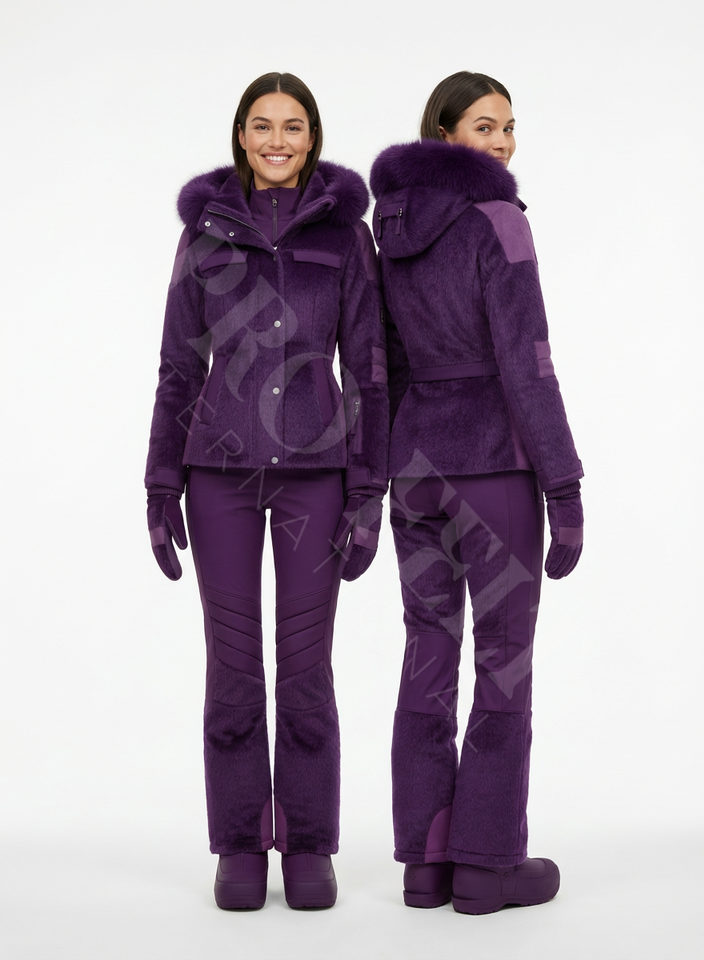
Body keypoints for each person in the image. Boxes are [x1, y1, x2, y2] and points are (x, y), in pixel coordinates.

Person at [145, 72, 388, 910]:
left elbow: (369, 370)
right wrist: (159, 483)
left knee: (306, 668)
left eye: (291, 125)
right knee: (233, 668)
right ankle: (240, 842)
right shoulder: (204, 235)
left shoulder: (346, 236)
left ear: (311, 137)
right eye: (261, 125)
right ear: (241, 135)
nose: (276, 139)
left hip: (316, 479)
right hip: (217, 476)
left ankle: (310, 843)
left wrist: (368, 492)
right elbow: (178, 366)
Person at [370, 71, 584, 915]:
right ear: (445, 133)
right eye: (485, 127)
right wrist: (562, 485)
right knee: (503, 663)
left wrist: (377, 474)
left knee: (426, 655)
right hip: (494, 467)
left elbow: (384, 364)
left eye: (508, 127)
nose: (501, 143)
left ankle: (426, 863)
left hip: (414, 471)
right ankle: (487, 866)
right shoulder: (497, 219)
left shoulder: (390, 225)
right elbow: (527, 360)